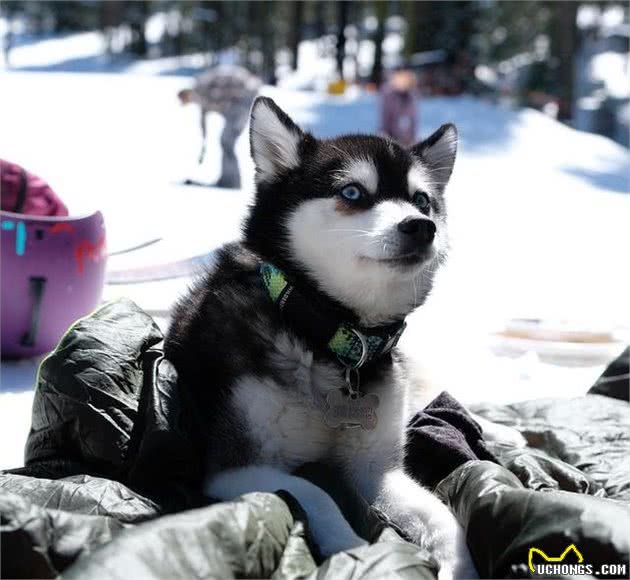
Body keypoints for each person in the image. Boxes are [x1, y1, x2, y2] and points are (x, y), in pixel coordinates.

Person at [178, 65, 262, 189]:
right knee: (226, 141)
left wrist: (241, 92)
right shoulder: (201, 97)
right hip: (238, 105)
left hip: (243, 101)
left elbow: (224, 79)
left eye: (184, 100)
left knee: (227, 141)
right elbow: (203, 121)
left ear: (186, 94)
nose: (187, 102)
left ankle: (232, 182)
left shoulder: (201, 86)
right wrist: (203, 147)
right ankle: (228, 180)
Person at [379, 67, 418, 146]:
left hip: (407, 137)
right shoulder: (388, 94)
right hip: (390, 136)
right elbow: (385, 117)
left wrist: (412, 138)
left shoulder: (410, 95)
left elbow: (413, 118)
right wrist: (384, 133)